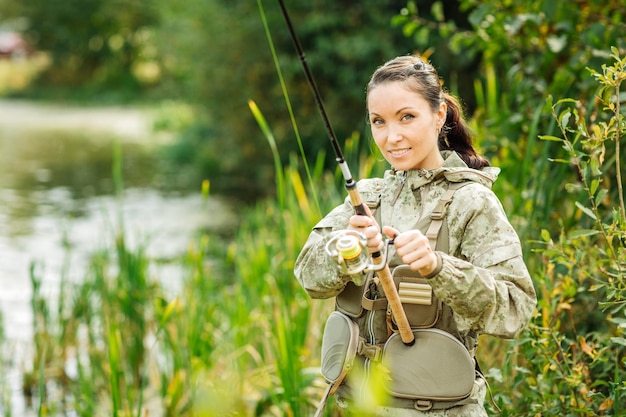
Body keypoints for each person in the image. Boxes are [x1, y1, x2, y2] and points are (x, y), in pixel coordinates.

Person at [294, 55, 537, 416]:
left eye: (407, 117)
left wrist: (439, 267)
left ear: (438, 117)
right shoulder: (365, 198)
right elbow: (309, 280)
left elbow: (516, 309)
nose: (392, 137)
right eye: (379, 122)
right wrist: (348, 248)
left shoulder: (471, 201)